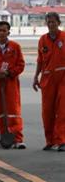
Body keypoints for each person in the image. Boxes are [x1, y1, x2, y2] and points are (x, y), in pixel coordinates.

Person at [0, 21, 26, 149]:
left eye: (4, 30)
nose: (1, 33)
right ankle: (4, 138)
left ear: (8, 32)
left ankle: (17, 139)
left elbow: (21, 64)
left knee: (13, 111)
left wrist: (9, 73)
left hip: (11, 83)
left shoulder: (15, 47)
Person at [32, 12, 65, 150]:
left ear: (58, 22)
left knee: (62, 110)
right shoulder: (42, 40)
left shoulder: (64, 37)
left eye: (53, 22)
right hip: (47, 79)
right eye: (49, 22)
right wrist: (35, 76)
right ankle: (50, 140)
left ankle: (61, 140)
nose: (51, 24)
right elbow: (40, 60)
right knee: (47, 111)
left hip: (63, 77)